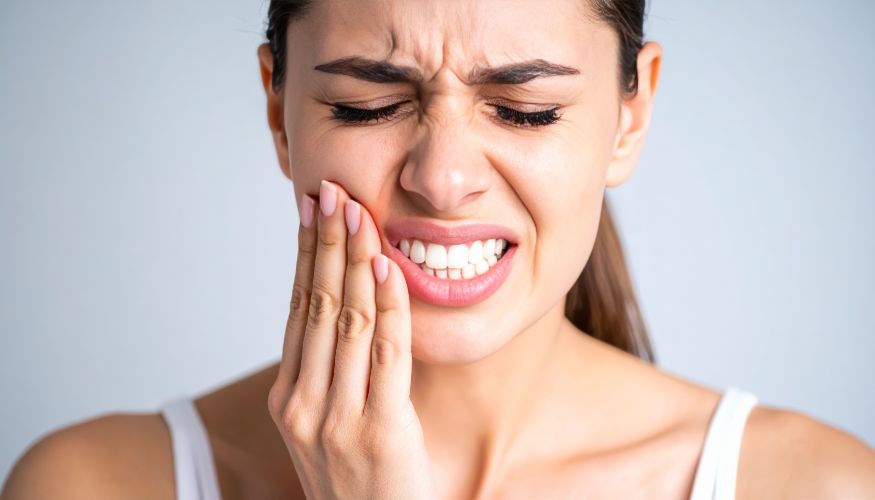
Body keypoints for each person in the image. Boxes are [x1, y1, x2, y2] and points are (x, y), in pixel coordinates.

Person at [3, 0, 875, 498]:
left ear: (629, 116)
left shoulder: (812, 488)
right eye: (365, 105)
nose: (444, 177)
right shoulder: (90, 487)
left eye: (525, 110)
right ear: (279, 113)